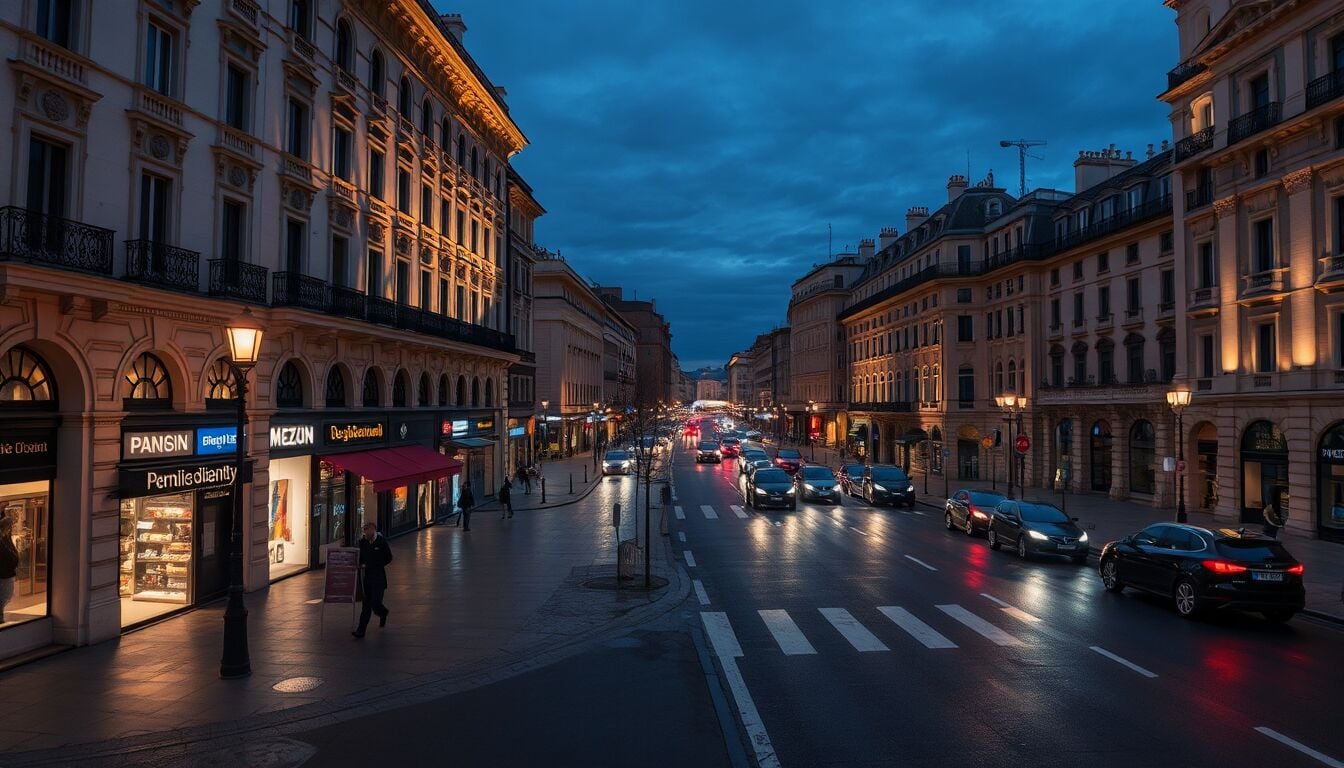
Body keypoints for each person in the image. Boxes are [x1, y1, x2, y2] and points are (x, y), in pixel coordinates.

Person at [353, 521, 392, 639]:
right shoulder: (362, 543)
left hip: (378, 577)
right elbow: (360, 557)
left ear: (374, 529)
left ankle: (383, 612)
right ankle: (361, 630)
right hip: (367, 578)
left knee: (376, 602)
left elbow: (389, 557)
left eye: (368, 529)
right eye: (364, 529)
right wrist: (361, 564)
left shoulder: (381, 542)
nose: (366, 532)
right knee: (366, 605)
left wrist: (377, 565)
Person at [0, 517, 18, 624]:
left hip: (7, 573)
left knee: (6, 594)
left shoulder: (5, 538)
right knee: (5, 594)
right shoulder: (2, 540)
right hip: (4, 573)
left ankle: (0, 615)